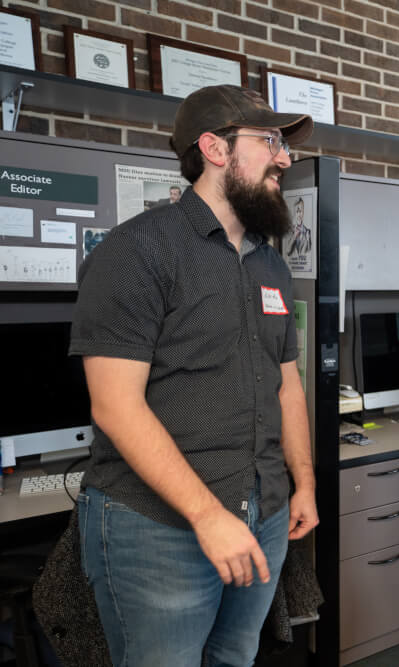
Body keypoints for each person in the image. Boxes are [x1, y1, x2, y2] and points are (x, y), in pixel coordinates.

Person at [69, 84, 319, 666]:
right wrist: (208, 516)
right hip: (157, 527)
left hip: (264, 509)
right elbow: (116, 406)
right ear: (215, 148)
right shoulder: (137, 251)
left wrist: (302, 483)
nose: (284, 158)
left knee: (235, 657)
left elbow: (286, 383)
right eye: (270, 141)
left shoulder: (270, 263)